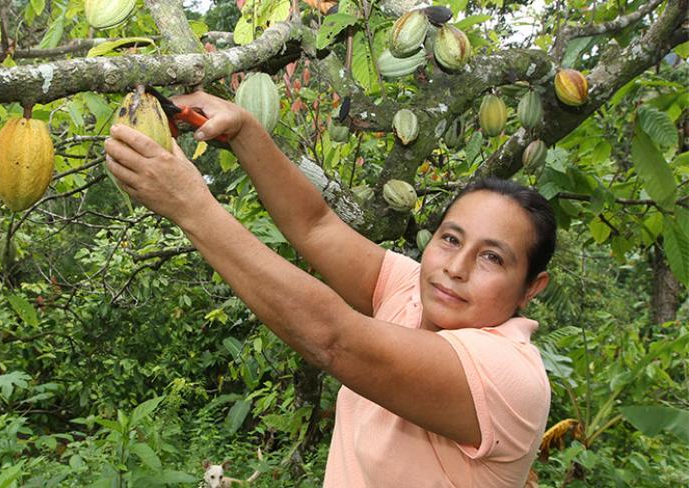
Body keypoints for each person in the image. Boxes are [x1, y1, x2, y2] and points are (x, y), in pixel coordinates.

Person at [104, 90, 555, 487]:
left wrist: (191, 206)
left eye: (492, 258)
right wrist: (243, 129)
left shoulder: (509, 376)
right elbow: (315, 226)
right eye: (450, 239)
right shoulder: (415, 291)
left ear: (530, 289)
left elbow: (335, 339)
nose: (456, 267)